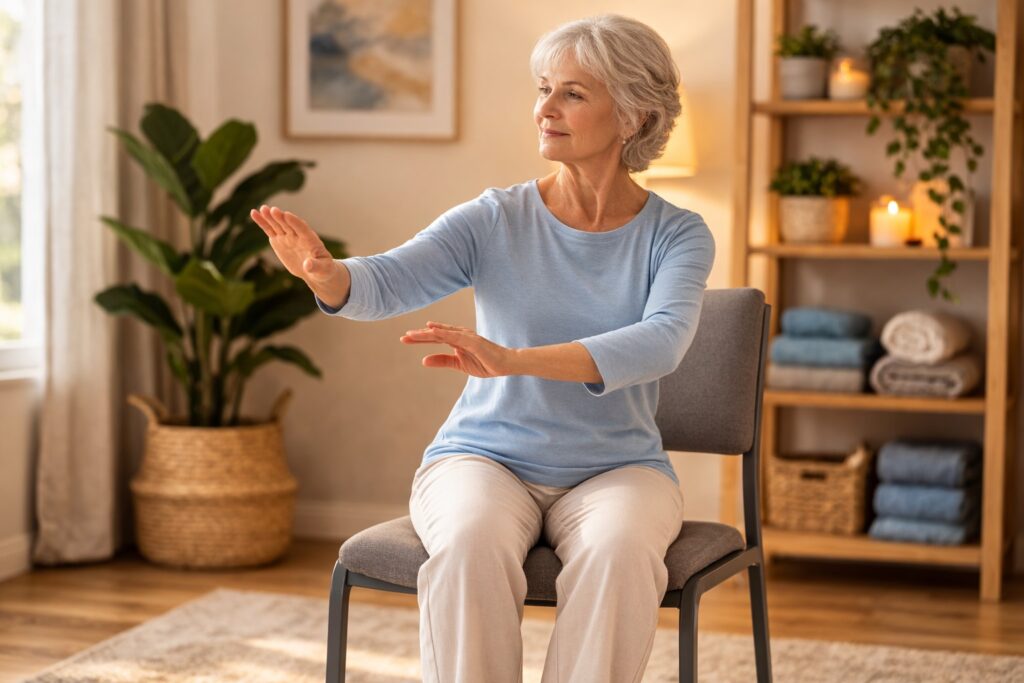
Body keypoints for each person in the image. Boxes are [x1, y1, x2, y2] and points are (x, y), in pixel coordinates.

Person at [251, 13, 715, 683]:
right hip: (484, 456)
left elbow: (662, 341)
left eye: (572, 93)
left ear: (634, 117)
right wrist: (329, 275)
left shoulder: (677, 234)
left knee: (619, 553)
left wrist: (515, 358)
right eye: (542, 88)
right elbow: (392, 277)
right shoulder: (497, 217)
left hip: (620, 466)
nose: (544, 109)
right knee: (468, 545)